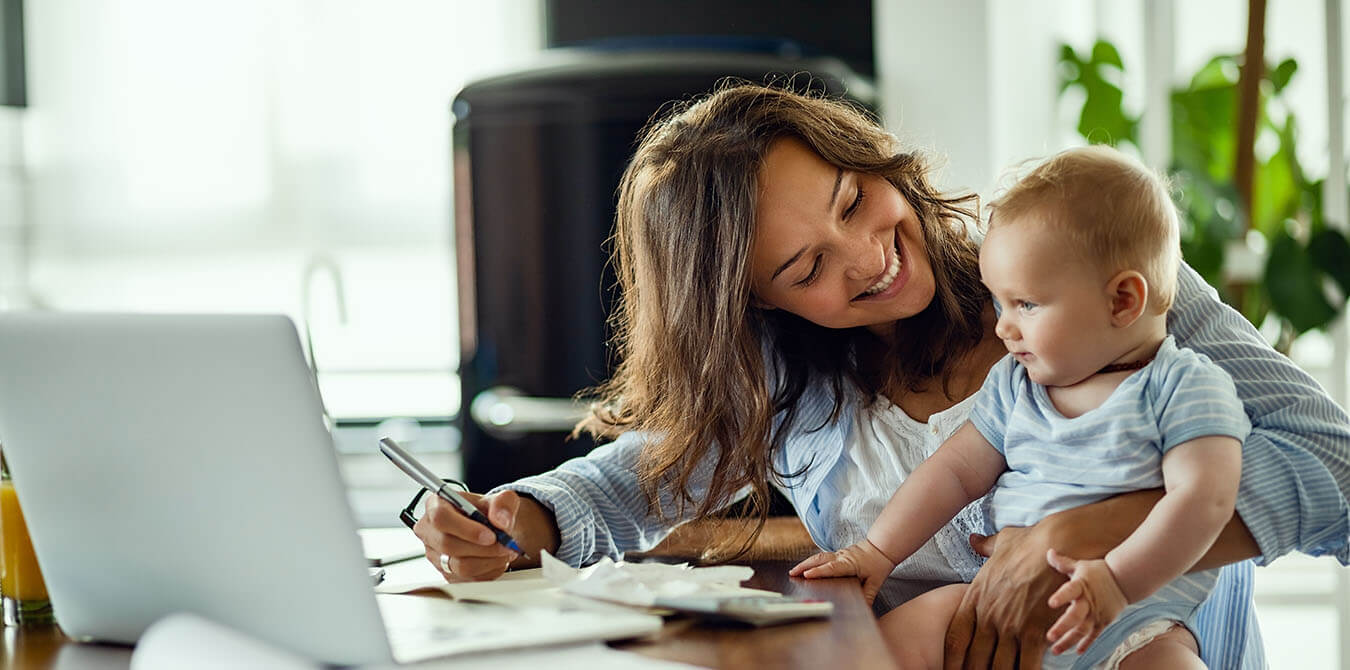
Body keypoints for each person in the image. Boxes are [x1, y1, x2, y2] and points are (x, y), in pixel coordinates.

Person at [413, 83, 1350, 669]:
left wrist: (1090, 528)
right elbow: (634, 479)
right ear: (759, 308)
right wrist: (509, 521)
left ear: (872, 161)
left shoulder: (1094, 280)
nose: (866, 259)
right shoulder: (792, 380)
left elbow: (1337, 474)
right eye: (806, 270)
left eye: (855, 202)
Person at [791, 145, 1248, 668]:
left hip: (1137, 622)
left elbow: (1208, 503)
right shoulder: (1016, 385)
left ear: (1122, 300)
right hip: (992, 607)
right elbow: (954, 473)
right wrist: (876, 552)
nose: (1004, 327)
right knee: (894, 640)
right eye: (999, 302)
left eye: (1025, 305)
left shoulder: (1184, 388)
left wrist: (1117, 581)